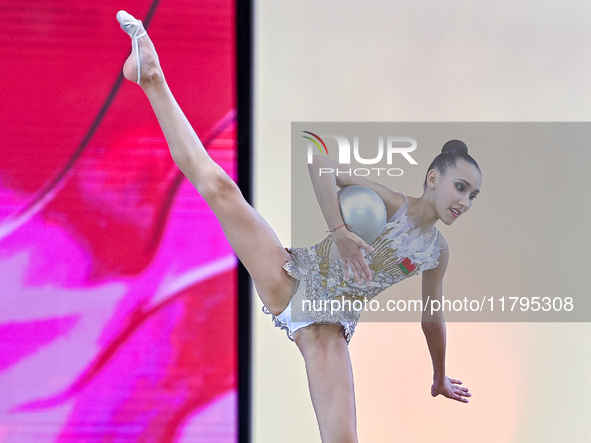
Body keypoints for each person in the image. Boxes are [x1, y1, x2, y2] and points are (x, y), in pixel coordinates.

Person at [116, 10, 479, 442]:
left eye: (473, 195)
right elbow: (320, 163)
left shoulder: (436, 252)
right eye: (460, 187)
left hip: (329, 328)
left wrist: (439, 375)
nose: (465, 201)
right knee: (220, 189)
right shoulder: (390, 200)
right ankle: (152, 75)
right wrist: (341, 231)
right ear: (434, 178)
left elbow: (432, 316)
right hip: (293, 277)